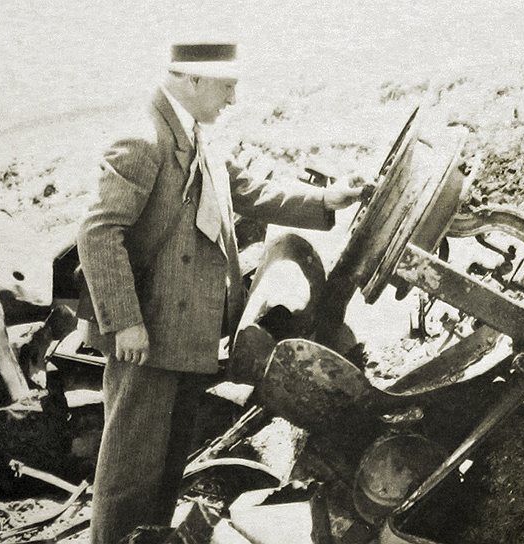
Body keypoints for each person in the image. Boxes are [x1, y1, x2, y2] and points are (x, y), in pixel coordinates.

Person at [76, 42, 368, 543]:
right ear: (193, 79)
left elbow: (251, 191)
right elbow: (98, 232)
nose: (233, 98)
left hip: (184, 335)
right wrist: (124, 322)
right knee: (129, 478)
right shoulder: (142, 139)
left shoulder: (195, 136)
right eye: (227, 86)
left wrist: (326, 197)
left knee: (164, 473)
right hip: (145, 338)